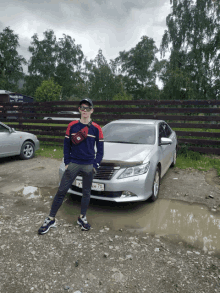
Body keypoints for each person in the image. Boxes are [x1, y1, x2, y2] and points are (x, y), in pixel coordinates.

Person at [38, 98, 104, 234]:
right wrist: (67, 162)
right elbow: (66, 145)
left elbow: (101, 150)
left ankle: (82, 218)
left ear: (92, 110)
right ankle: (51, 218)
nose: (85, 110)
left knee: (86, 193)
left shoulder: (97, 128)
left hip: (88, 165)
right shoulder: (72, 126)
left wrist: (95, 165)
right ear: (79, 110)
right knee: (62, 191)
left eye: (87, 108)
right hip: (73, 163)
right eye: (82, 107)